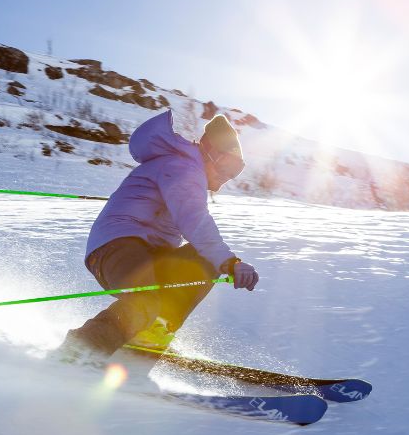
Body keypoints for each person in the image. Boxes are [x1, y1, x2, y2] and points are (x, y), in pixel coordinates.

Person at [55, 109, 259, 365]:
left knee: (201, 260)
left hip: (147, 252)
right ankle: (78, 352)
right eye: (227, 166)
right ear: (209, 151)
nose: (226, 178)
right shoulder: (183, 166)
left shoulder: (184, 168)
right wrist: (230, 261)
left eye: (236, 172)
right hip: (116, 247)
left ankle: (148, 338)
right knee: (146, 299)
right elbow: (194, 219)